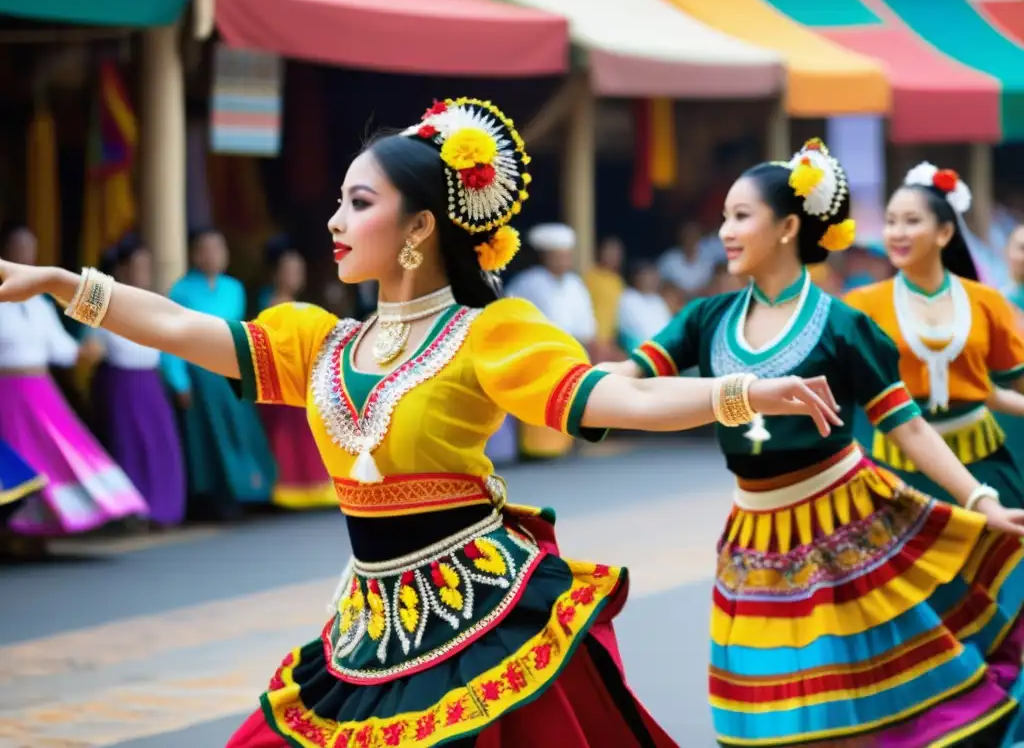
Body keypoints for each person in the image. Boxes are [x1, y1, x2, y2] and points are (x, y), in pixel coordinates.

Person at [0, 97, 840, 748]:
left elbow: (620, 399)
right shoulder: (315, 342)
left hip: (480, 614)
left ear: (420, 227)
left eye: (358, 201)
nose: (334, 219)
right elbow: (182, 329)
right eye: (337, 200)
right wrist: (58, 283)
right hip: (366, 622)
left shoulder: (490, 334)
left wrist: (743, 393)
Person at [601, 140, 1024, 746]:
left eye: (741, 216)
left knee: (854, 700)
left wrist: (979, 499)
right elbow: (628, 377)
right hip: (755, 535)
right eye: (724, 217)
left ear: (789, 226)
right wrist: (555, 383)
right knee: (762, 711)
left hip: (847, 528)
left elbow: (907, 425)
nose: (724, 231)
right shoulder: (707, 319)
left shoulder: (844, 324)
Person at [845, 163, 1024, 512]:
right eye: (891, 221)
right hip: (897, 465)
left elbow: (1009, 386)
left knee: (1003, 561)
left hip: (979, 457)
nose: (897, 232)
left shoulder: (986, 302)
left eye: (911, 221)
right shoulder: (862, 305)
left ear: (944, 233)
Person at [0, 224, 147, 540]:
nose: (26, 254)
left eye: (30, 247)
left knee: (61, 454)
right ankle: (14, 534)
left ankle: (42, 532)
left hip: (40, 390)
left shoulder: (39, 302)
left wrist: (83, 352)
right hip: (6, 394)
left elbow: (59, 347)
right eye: (18, 247)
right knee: (16, 464)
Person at [162, 228, 275, 520]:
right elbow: (172, 338)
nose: (213, 254)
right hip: (200, 375)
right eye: (206, 248)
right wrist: (178, 380)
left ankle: (251, 492)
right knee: (208, 438)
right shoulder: (181, 290)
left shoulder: (233, 288)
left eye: (218, 248)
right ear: (195, 254)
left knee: (240, 432)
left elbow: (241, 332)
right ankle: (213, 500)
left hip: (231, 370)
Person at [90, 240, 186, 528]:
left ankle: (164, 509)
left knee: (161, 445)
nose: (144, 272)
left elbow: (171, 347)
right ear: (122, 269)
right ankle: (132, 511)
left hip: (151, 383)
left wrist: (178, 382)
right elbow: (89, 343)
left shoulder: (155, 301)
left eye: (147, 267)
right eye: (138, 266)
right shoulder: (100, 299)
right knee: (128, 447)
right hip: (121, 383)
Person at [506, 223, 598, 460]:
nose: (563, 260)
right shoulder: (527, 282)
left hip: (571, 352)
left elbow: (586, 325)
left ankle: (569, 443)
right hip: (538, 353)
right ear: (545, 256)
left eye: (566, 255)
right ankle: (536, 449)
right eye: (558, 255)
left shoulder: (575, 284)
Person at [258, 246, 334, 509]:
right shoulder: (272, 305)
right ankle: (288, 491)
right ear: (276, 273)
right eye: (289, 270)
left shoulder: (300, 304)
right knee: (286, 438)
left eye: (298, 270)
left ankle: (311, 489)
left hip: (303, 379)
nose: (294, 275)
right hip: (283, 379)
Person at [583, 236, 626, 359]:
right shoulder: (590, 276)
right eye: (609, 252)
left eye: (616, 253)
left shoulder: (618, 282)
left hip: (611, 340)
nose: (613, 256)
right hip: (593, 339)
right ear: (600, 252)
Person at [617, 261, 671, 354]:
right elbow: (635, 331)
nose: (653, 280)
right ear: (637, 278)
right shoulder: (628, 298)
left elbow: (668, 328)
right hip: (640, 351)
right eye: (648, 275)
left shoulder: (658, 300)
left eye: (654, 276)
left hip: (662, 350)